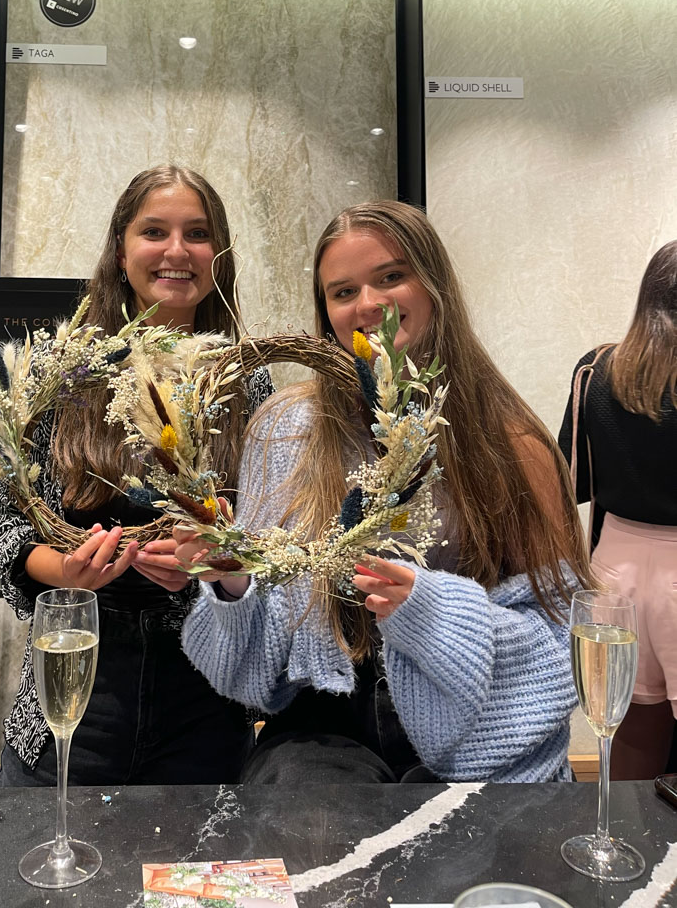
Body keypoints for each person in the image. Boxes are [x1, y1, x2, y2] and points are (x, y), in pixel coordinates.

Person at [176, 201, 593, 784]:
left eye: (391, 277)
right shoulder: (287, 428)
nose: (368, 304)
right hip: (323, 722)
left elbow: (566, 637)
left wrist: (431, 612)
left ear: (434, 284)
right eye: (343, 292)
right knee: (308, 841)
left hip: (473, 723)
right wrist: (232, 582)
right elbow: (256, 666)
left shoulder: (512, 444)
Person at [0, 165, 272, 785]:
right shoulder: (53, 376)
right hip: (78, 670)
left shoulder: (251, 383)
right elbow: (3, 526)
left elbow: (270, 541)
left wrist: (219, 566)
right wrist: (66, 572)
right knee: (49, 865)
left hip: (207, 689)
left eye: (197, 234)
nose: (176, 251)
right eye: (154, 231)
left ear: (217, 255)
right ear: (121, 248)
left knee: (195, 876)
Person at [558, 240, 677, 780]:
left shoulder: (597, 369)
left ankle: (628, 845)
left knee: (629, 736)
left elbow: (573, 481)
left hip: (614, 568)